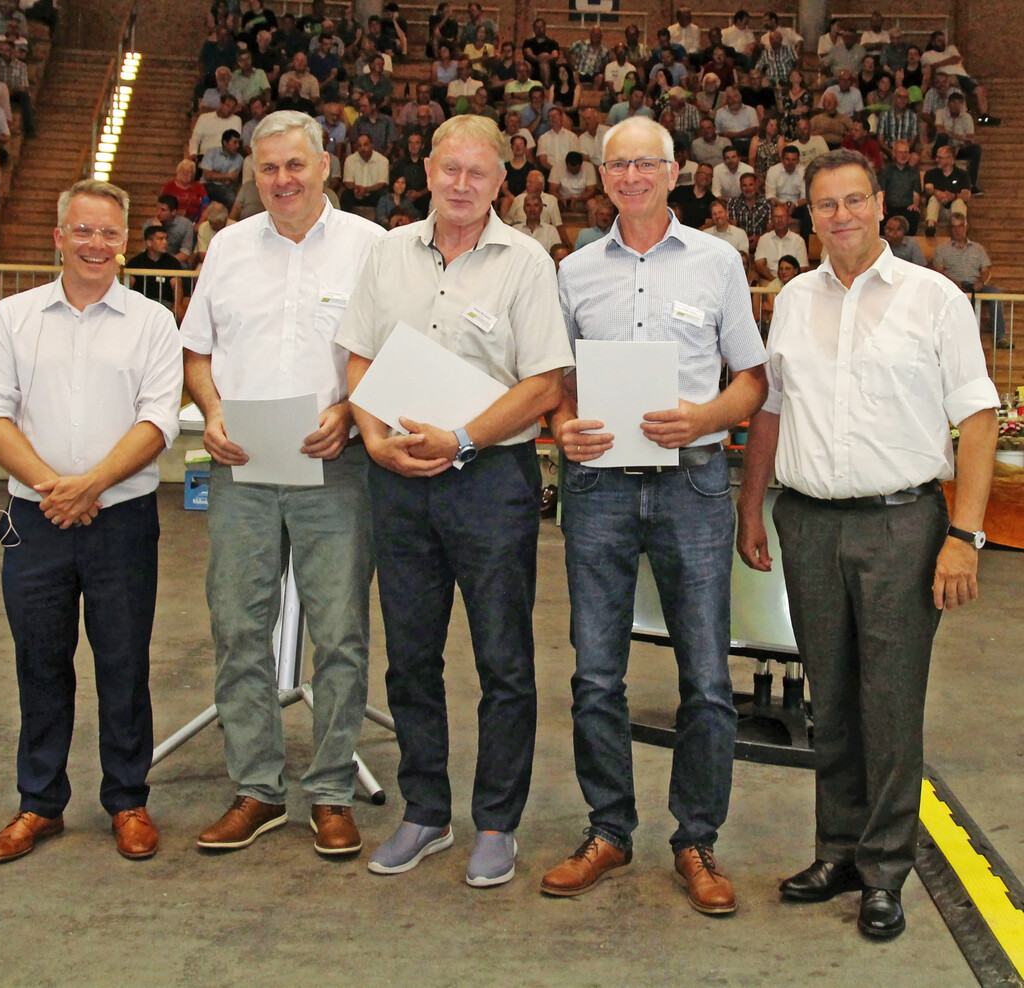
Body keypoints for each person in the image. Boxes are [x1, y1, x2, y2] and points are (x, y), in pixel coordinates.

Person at [736, 148, 999, 940]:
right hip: (809, 522)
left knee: (889, 702)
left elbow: (978, 419)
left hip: (901, 525)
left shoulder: (934, 299)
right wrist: (753, 507)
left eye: (855, 201)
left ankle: (886, 869)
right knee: (833, 700)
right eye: (826, 204)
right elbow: (771, 411)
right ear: (807, 213)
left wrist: (965, 536)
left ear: (881, 206)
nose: (841, 215)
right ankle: (839, 850)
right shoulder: (790, 301)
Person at [337, 114, 573, 888]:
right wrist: (373, 441)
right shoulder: (387, 253)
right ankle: (425, 811)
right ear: (428, 170)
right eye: (450, 170)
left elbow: (543, 383)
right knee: (409, 658)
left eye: (479, 172)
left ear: (502, 180)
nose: (462, 184)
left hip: (490, 482)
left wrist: (465, 439)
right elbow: (361, 355)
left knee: (503, 659)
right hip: (397, 476)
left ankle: (497, 822)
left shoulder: (526, 263)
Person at [540, 116, 767, 911]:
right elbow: (556, 378)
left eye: (647, 163)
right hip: (598, 488)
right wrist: (560, 425)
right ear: (602, 177)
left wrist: (707, 419)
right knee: (595, 675)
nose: (631, 175)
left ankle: (696, 841)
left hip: (693, 486)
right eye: (617, 164)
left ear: (675, 173)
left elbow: (752, 381)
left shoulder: (717, 263)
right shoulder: (572, 271)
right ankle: (608, 829)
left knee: (705, 678)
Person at [180, 110, 382, 856]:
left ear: (325, 166)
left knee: (339, 632)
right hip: (243, 467)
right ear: (251, 173)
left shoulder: (371, 248)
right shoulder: (228, 248)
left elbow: (396, 354)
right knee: (238, 624)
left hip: (335, 465)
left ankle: (331, 789)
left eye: (295, 166)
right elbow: (196, 353)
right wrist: (213, 411)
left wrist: (350, 414)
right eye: (267, 169)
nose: (282, 181)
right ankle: (257, 787)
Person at [0, 179, 183, 864]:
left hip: (121, 520)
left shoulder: (153, 322)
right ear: (59, 237)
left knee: (124, 664)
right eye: (83, 231)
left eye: (109, 233)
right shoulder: (13, 316)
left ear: (125, 243)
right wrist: (51, 487)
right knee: (40, 662)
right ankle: (39, 803)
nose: (96, 244)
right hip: (35, 522)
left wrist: (92, 484)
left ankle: (128, 799)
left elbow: (157, 420)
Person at [933, 213, 1011, 349]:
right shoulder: (942, 249)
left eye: (960, 226)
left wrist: (981, 282)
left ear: (966, 227)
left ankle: (1000, 336)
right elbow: (939, 271)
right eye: (954, 227)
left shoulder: (978, 248)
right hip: (952, 285)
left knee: (994, 293)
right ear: (950, 229)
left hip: (975, 285)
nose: (958, 230)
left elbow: (986, 269)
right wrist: (954, 284)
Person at [126, 223, 183, 311]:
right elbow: (129, 285)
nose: (165, 242)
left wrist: (177, 306)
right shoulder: (135, 262)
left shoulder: (172, 262)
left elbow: (176, 286)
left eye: (165, 239)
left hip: (164, 306)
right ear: (149, 242)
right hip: (141, 306)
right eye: (160, 239)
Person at [924, 143, 970, 236]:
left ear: (950, 159)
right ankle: (931, 226)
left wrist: (953, 196)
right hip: (938, 210)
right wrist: (937, 193)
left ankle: (961, 228)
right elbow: (928, 188)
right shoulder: (931, 173)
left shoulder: (962, 174)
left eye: (940, 158)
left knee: (959, 202)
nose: (937, 160)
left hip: (953, 210)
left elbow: (966, 195)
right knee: (933, 199)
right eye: (937, 157)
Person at [754, 203, 808, 281]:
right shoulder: (764, 239)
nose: (780, 220)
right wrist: (775, 281)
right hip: (769, 280)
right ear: (772, 220)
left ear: (789, 219)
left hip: (792, 282)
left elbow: (803, 268)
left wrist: (787, 283)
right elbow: (759, 265)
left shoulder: (798, 241)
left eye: (783, 216)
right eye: (776, 217)